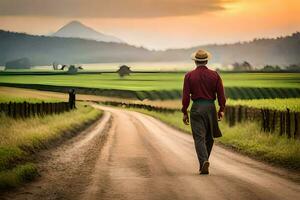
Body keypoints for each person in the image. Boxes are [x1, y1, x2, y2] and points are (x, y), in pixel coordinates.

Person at [182, 49, 226, 175]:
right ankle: (204, 161)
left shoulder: (189, 76)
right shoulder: (215, 75)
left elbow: (185, 96)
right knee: (209, 138)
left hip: (196, 107)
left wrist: (185, 111)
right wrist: (221, 109)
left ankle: (204, 162)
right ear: (206, 61)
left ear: (195, 61)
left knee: (199, 138)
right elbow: (221, 95)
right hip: (210, 108)